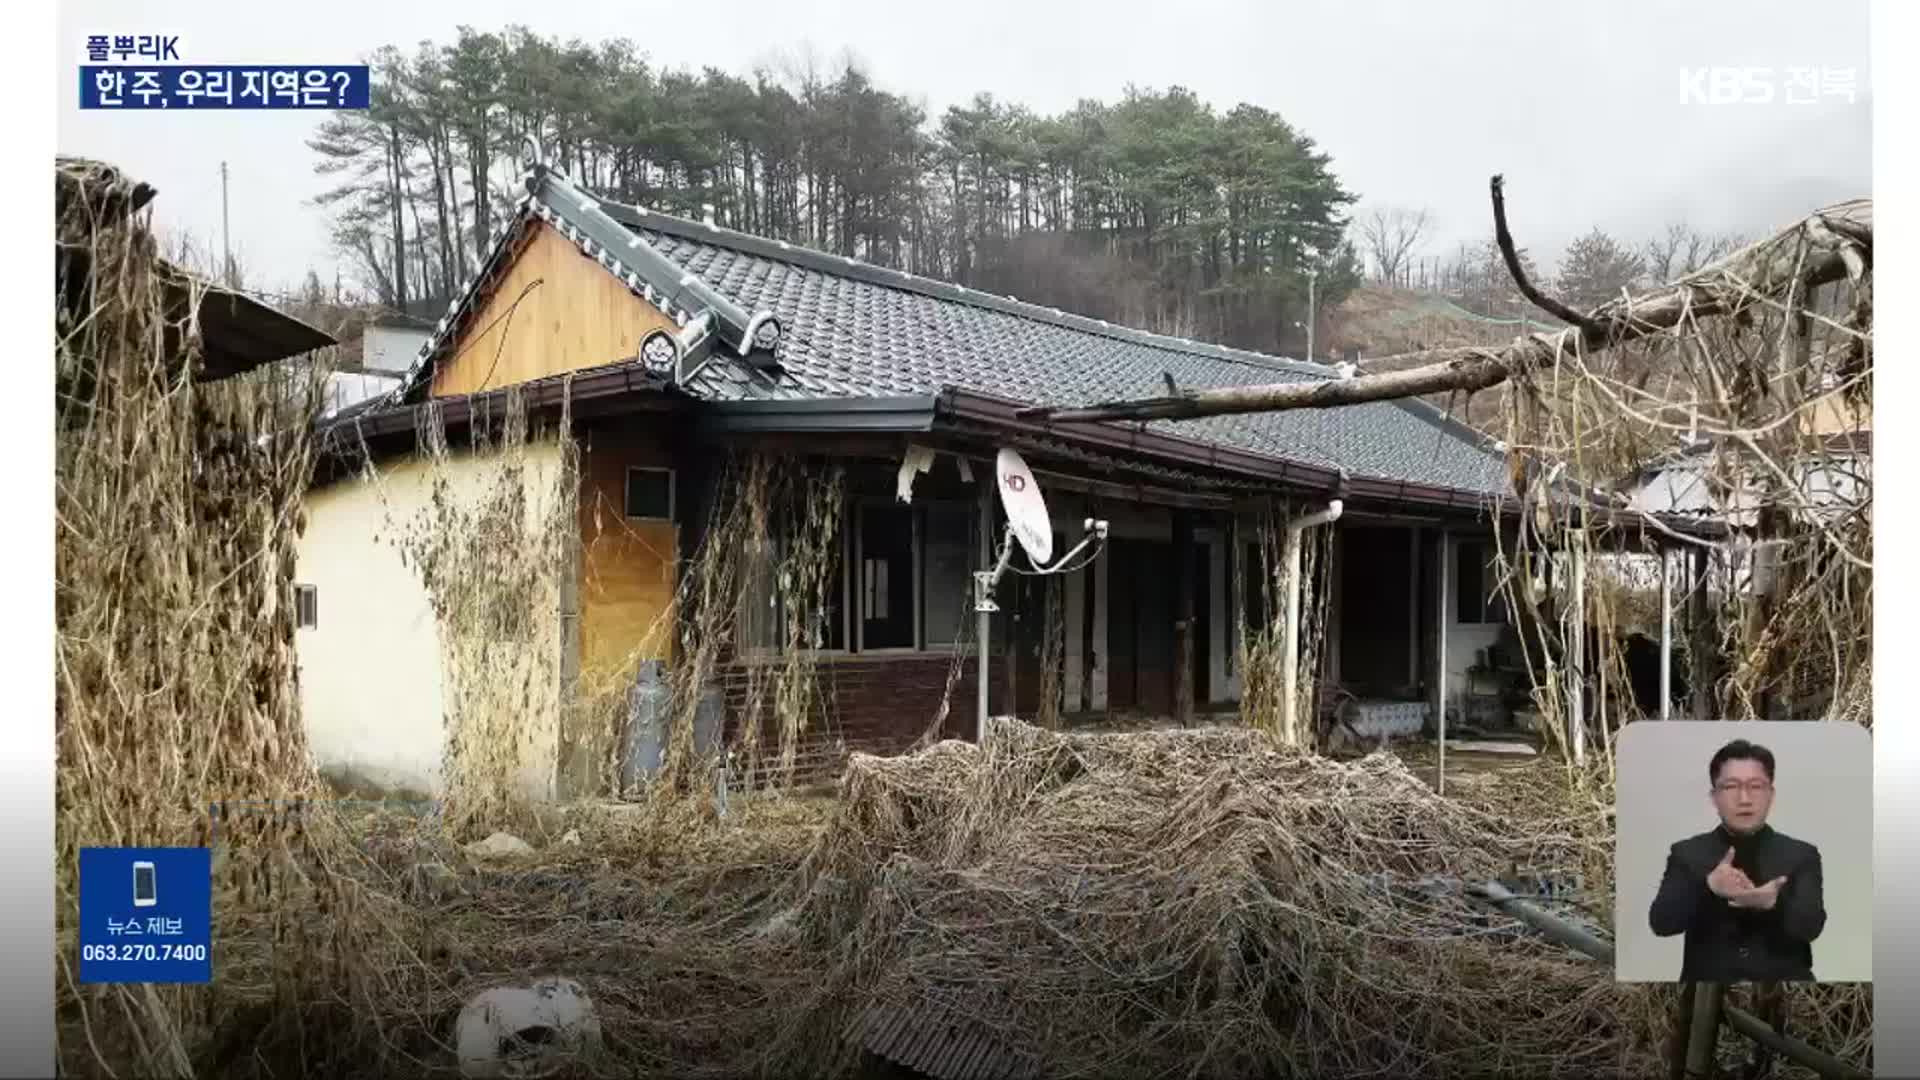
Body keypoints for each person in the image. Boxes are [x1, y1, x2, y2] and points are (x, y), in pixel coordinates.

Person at [1647, 739, 1826, 982]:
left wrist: (1774, 904)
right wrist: (1709, 887)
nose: (1744, 798)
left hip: (1784, 994)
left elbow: (1811, 927)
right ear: (1714, 797)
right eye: (1731, 787)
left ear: (1771, 795)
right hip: (1705, 996)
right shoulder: (1687, 853)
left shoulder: (1801, 854)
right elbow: (1662, 923)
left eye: (1756, 786)